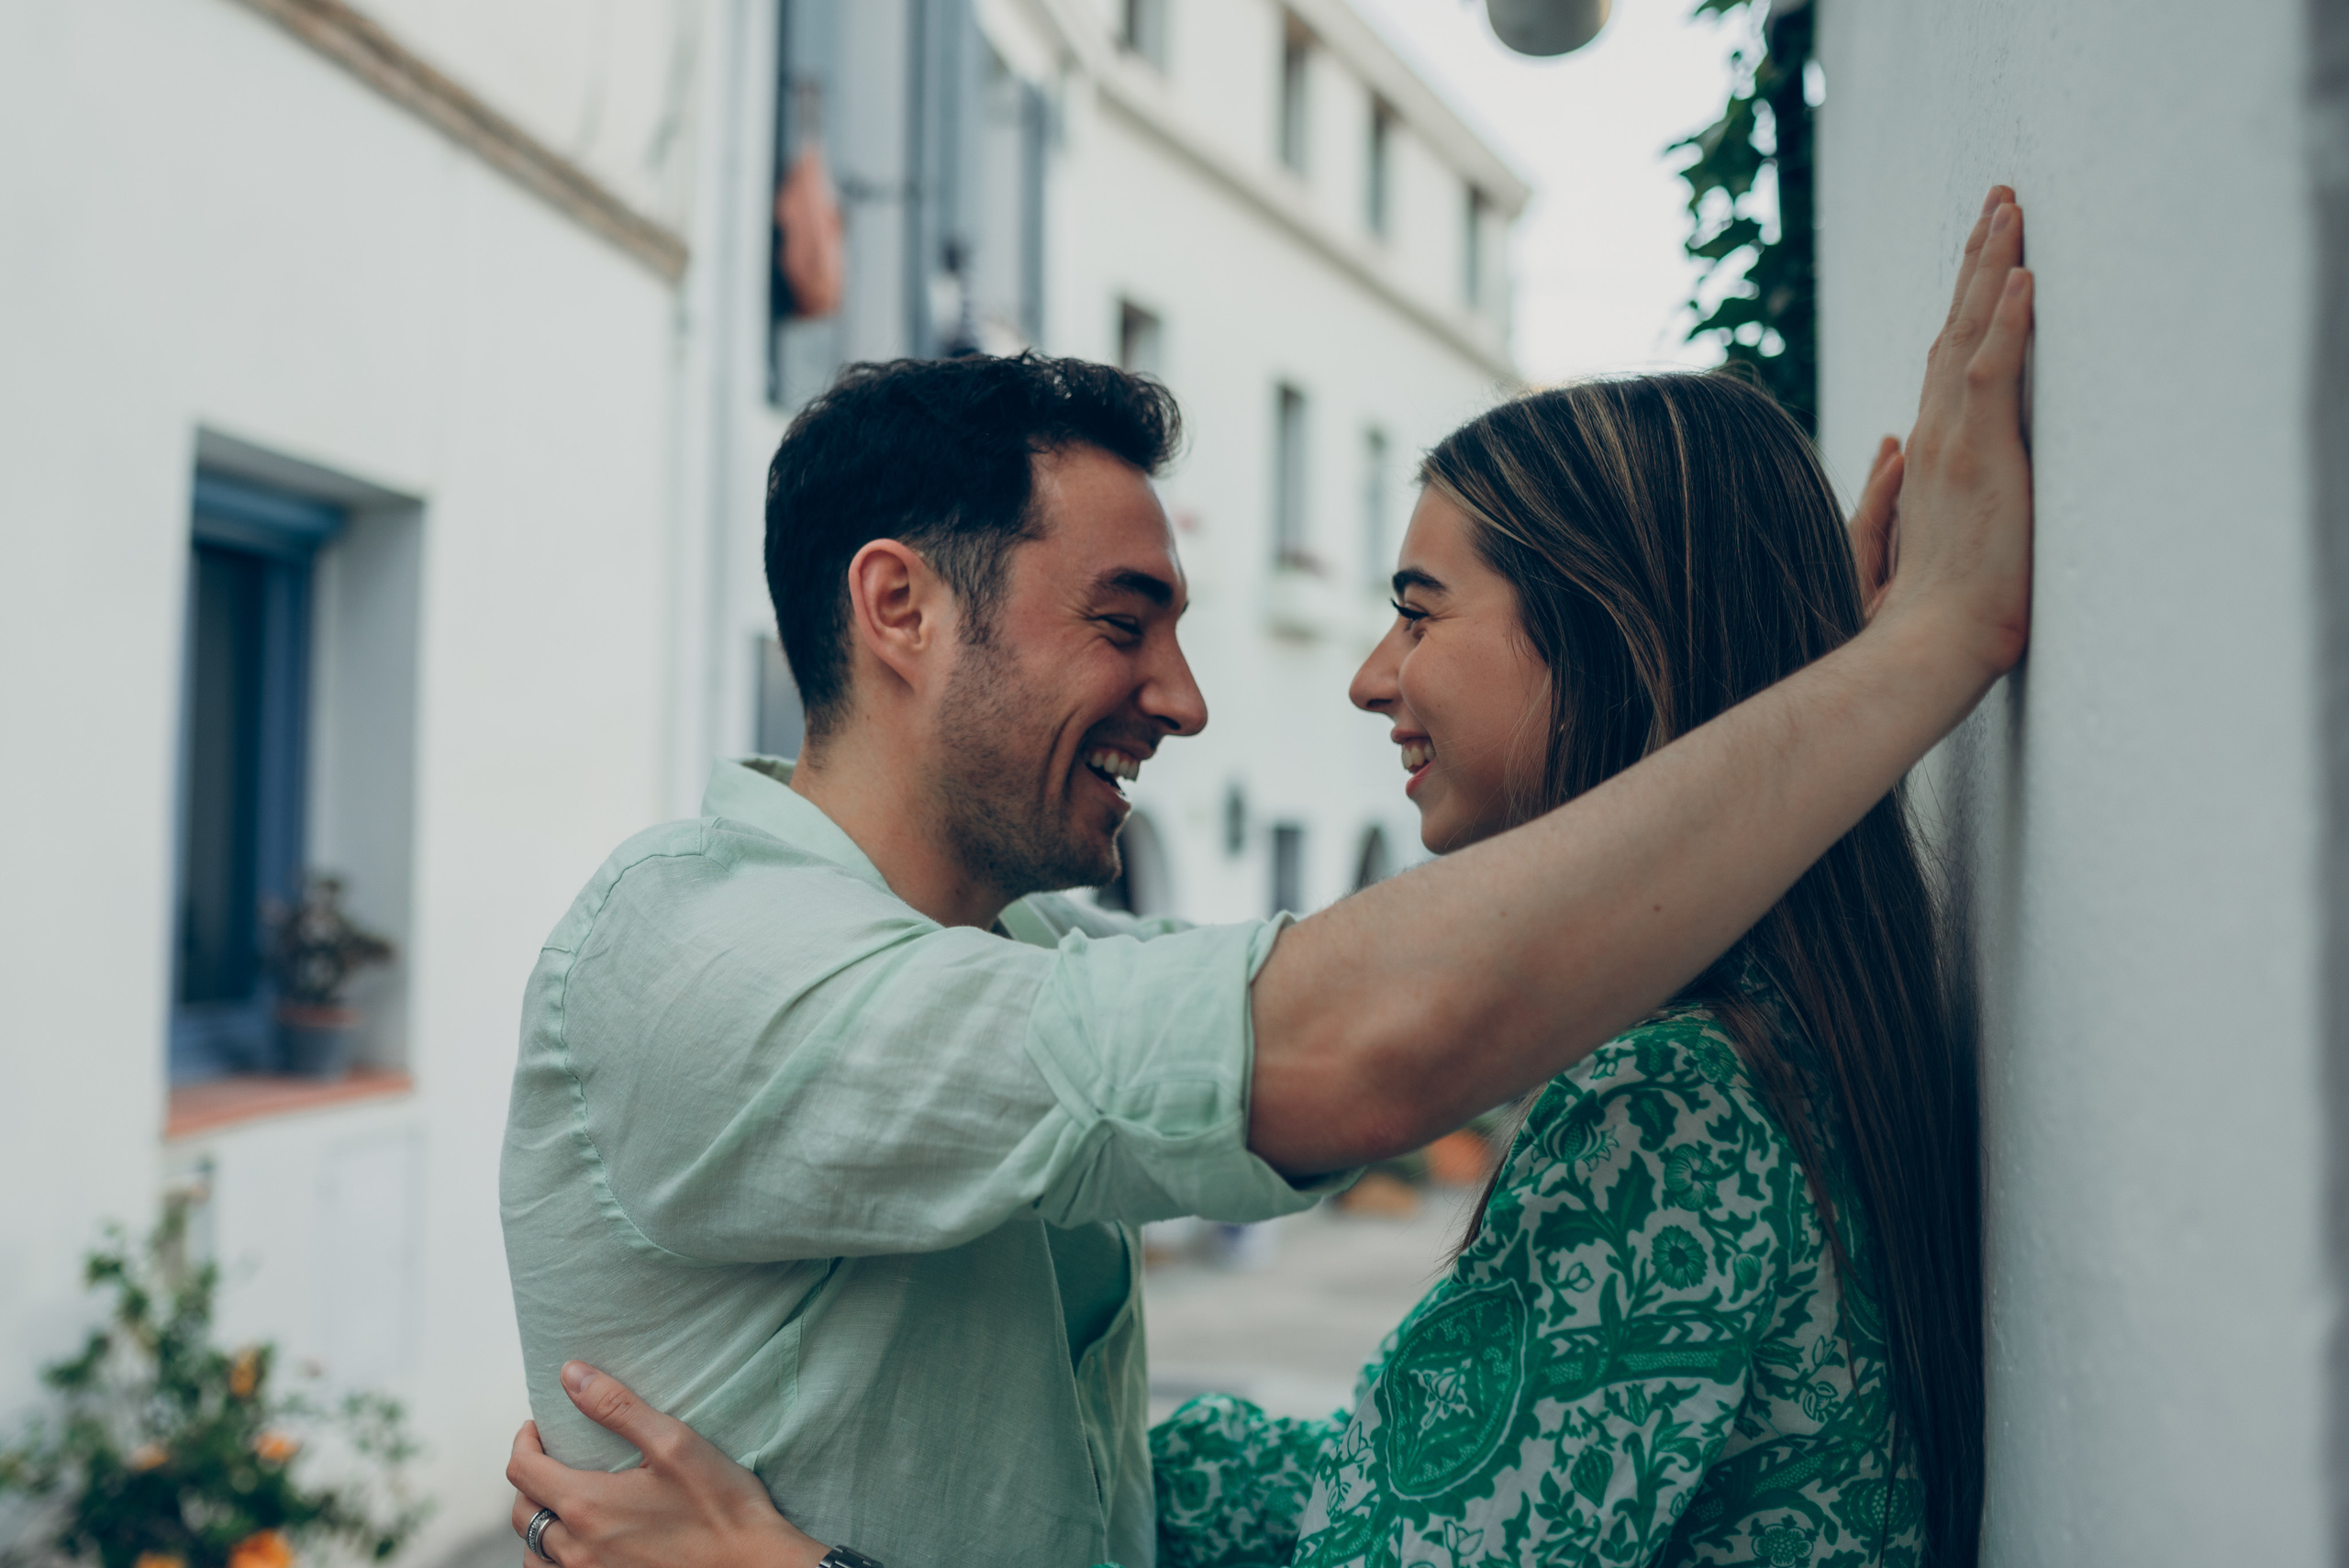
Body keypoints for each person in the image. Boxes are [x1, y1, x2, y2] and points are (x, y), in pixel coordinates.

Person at [501, 192, 2032, 1568]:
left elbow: (1352, 1012)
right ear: (900, 605)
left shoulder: (1670, 1101)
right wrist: (1892, 675)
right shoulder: (695, 960)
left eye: (1421, 613)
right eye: (1124, 620)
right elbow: (1345, 1031)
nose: (1186, 697)